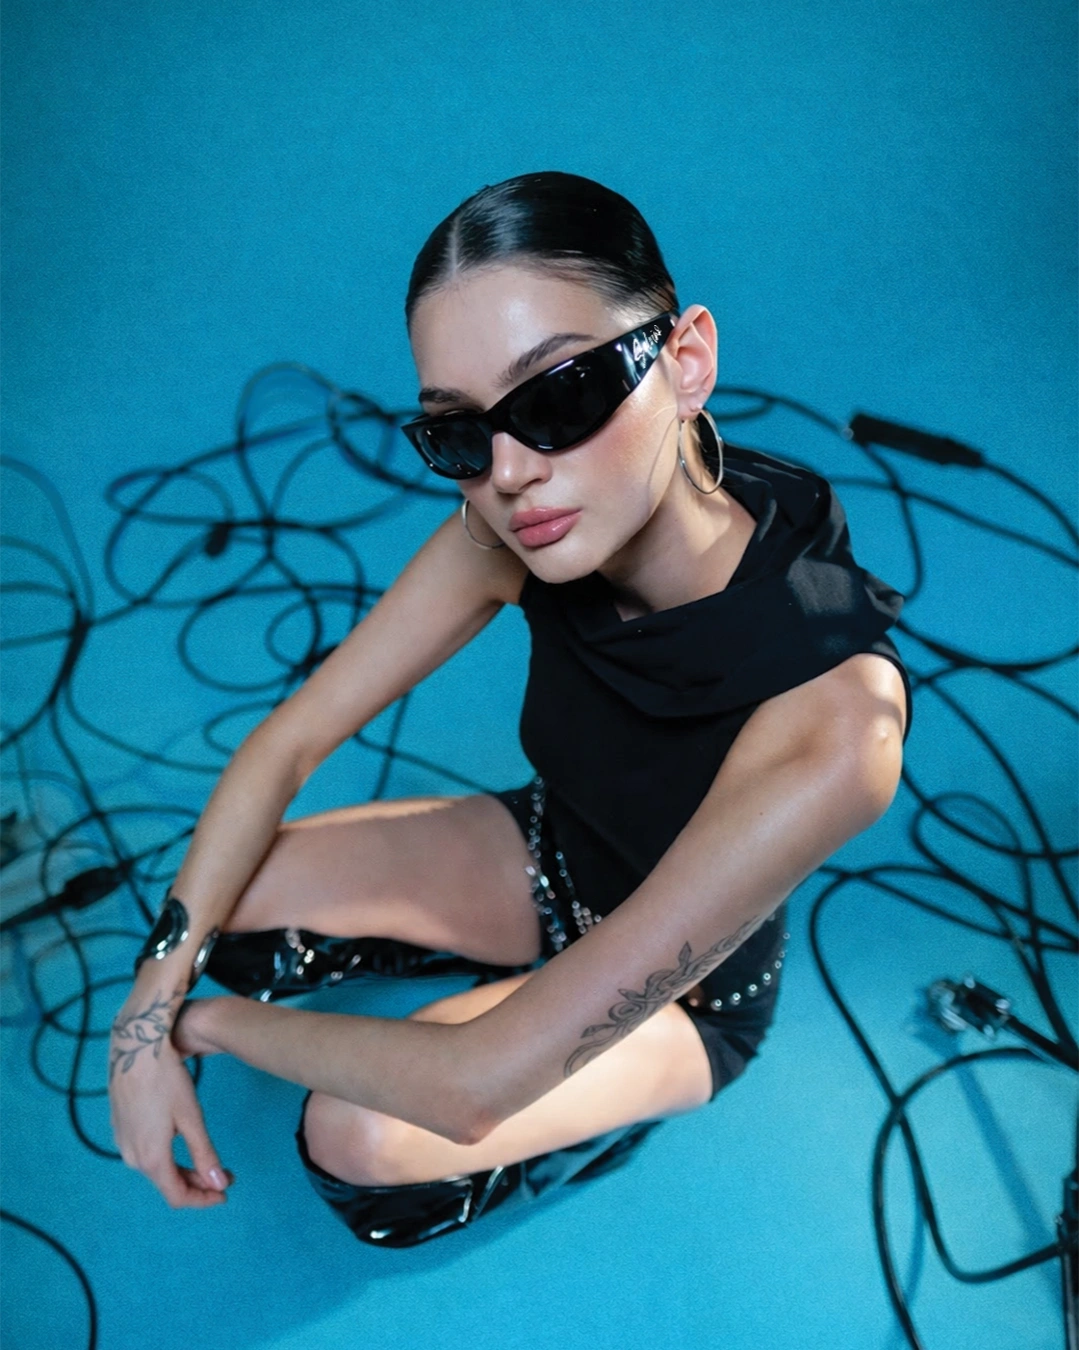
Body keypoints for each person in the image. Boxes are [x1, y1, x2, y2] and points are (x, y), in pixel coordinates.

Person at [107, 170, 912, 1247]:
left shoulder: (841, 726)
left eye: (560, 396)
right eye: (458, 433)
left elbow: (471, 1088)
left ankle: (579, 1112)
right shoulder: (518, 524)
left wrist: (197, 1025)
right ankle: (508, 975)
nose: (510, 472)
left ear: (685, 361)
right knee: (233, 900)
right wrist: (145, 1007)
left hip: (685, 999)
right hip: (552, 852)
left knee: (359, 1135)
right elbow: (290, 742)